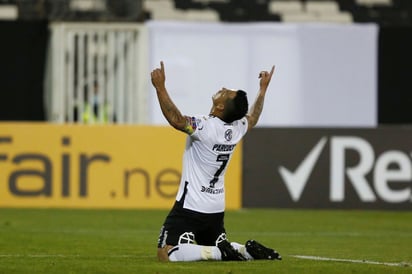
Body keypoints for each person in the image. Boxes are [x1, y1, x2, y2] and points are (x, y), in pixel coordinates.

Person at [151, 61, 281, 262]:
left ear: (220, 106)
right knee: (209, 245)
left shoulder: (205, 127)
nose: (223, 89)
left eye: (226, 92)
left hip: (192, 204)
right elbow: (253, 117)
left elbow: (177, 120)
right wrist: (262, 91)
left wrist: (160, 88)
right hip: (216, 207)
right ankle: (244, 251)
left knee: (166, 252)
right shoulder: (237, 128)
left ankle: (220, 252)